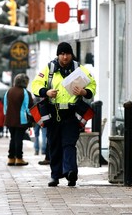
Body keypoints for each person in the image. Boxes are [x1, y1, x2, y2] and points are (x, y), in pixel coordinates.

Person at [31, 42, 96, 187]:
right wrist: (46, 92)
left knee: (69, 143)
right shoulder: (50, 68)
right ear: (58, 55)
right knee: (54, 144)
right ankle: (55, 175)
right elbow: (35, 84)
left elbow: (92, 85)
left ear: (71, 54)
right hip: (53, 112)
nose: (65, 57)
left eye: (67, 54)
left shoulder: (79, 69)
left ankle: (70, 173)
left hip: (71, 112)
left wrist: (84, 92)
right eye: (62, 54)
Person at [3, 73, 34, 166]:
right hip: (21, 120)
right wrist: (31, 118)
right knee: (18, 139)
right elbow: (29, 108)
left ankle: (11, 158)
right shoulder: (25, 92)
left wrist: (7, 115)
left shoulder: (8, 91)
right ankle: (19, 158)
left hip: (9, 118)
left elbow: (5, 106)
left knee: (13, 138)